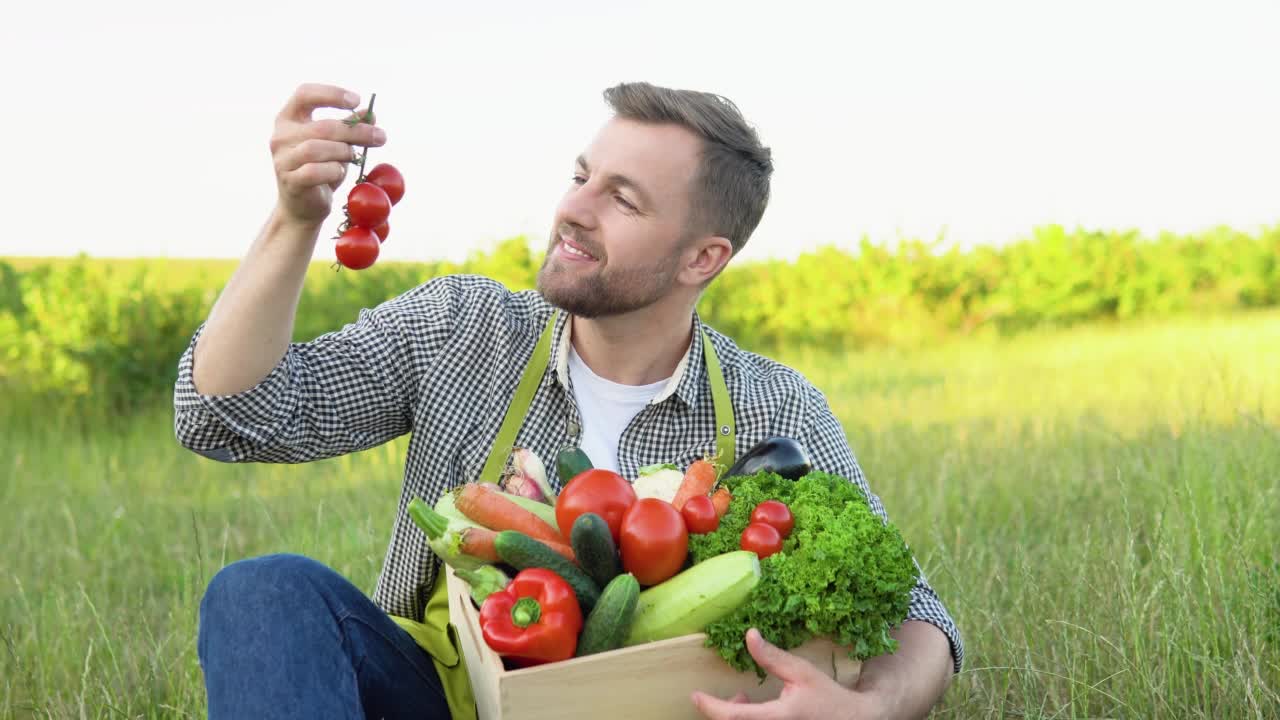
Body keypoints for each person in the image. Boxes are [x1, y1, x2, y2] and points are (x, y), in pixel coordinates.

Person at [175, 80, 963, 720]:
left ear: (704, 256)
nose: (574, 210)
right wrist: (295, 219)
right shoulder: (464, 329)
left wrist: (874, 709)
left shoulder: (774, 408)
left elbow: (919, 613)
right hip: (443, 700)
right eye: (582, 176)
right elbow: (225, 415)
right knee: (262, 592)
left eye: (623, 199)